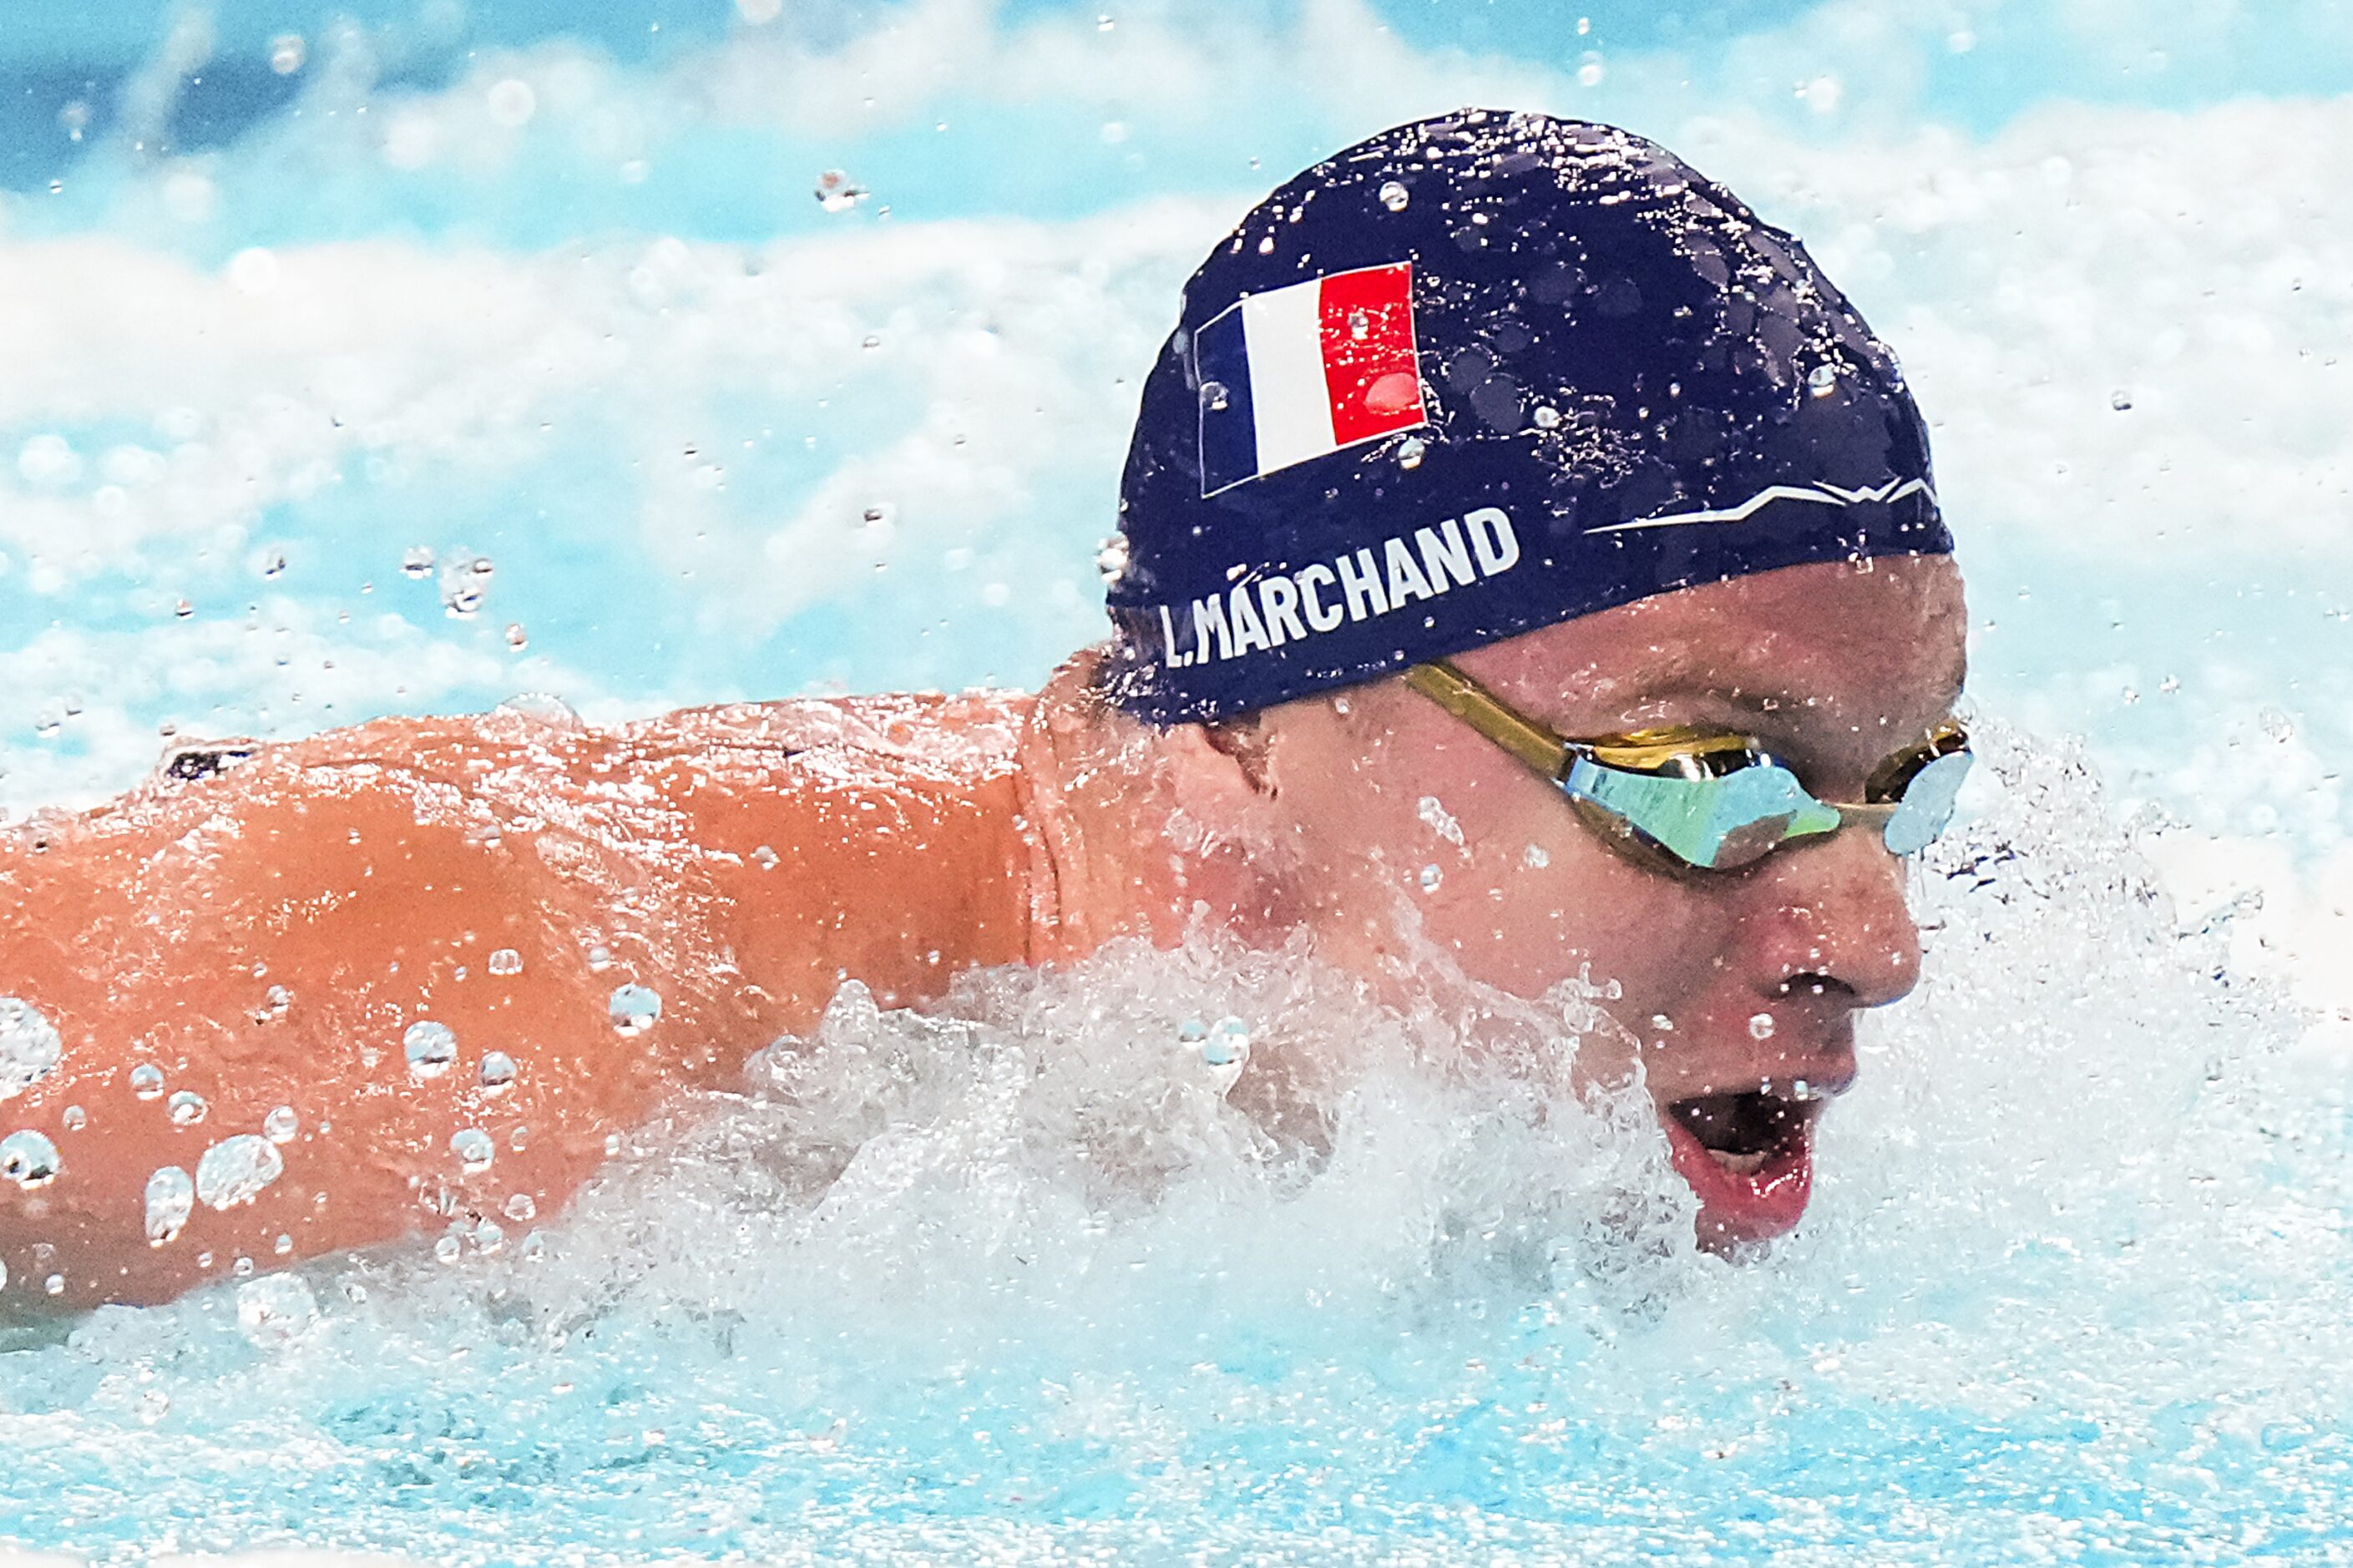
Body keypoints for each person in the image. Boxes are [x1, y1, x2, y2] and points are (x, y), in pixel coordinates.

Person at [0, 110, 1966, 1308]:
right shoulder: (527, 1018)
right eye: (1705, 775)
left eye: (1898, 792)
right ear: (1246, 728)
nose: (1875, 947)